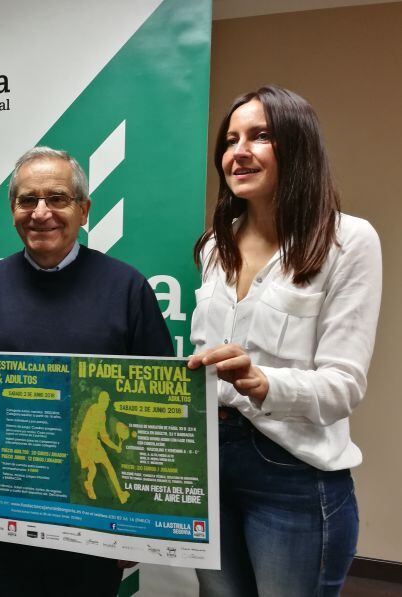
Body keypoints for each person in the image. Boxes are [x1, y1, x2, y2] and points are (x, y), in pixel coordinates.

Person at [0, 147, 174, 596]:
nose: (41, 213)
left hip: (92, 524)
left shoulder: (127, 289)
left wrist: (140, 522)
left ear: (84, 210)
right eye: (27, 200)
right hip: (3, 518)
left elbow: (155, 412)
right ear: (13, 211)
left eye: (57, 198)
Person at [187, 85, 382, 597]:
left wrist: (261, 381)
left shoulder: (348, 241)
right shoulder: (215, 244)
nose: (239, 151)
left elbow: (343, 386)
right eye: (230, 140)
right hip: (208, 464)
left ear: (297, 146)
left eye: (261, 135)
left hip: (292, 474)